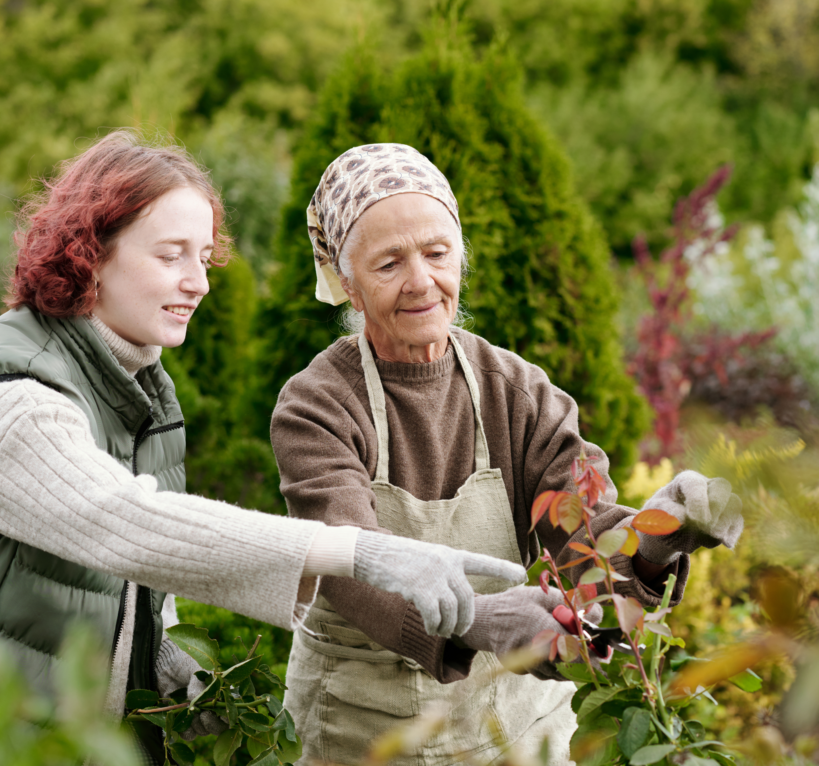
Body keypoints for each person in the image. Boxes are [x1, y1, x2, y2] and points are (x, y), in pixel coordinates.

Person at [0, 133, 528, 766]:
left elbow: (115, 596)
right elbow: (126, 526)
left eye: (204, 257)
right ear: (89, 255)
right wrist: (359, 552)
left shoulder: (135, 395)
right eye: (170, 256)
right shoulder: (12, 400)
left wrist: (180, 680)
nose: (199, 282)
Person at [270, 143, 745, 765]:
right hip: (360, 728)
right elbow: (348, 563)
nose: (422, 281)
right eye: (389, 263)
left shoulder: (516, 391)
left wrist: (657, 539)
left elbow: (582, 537)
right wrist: (473, 620)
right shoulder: (318, 406)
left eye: (437, 253)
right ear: (348, 284)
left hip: (508, 730)